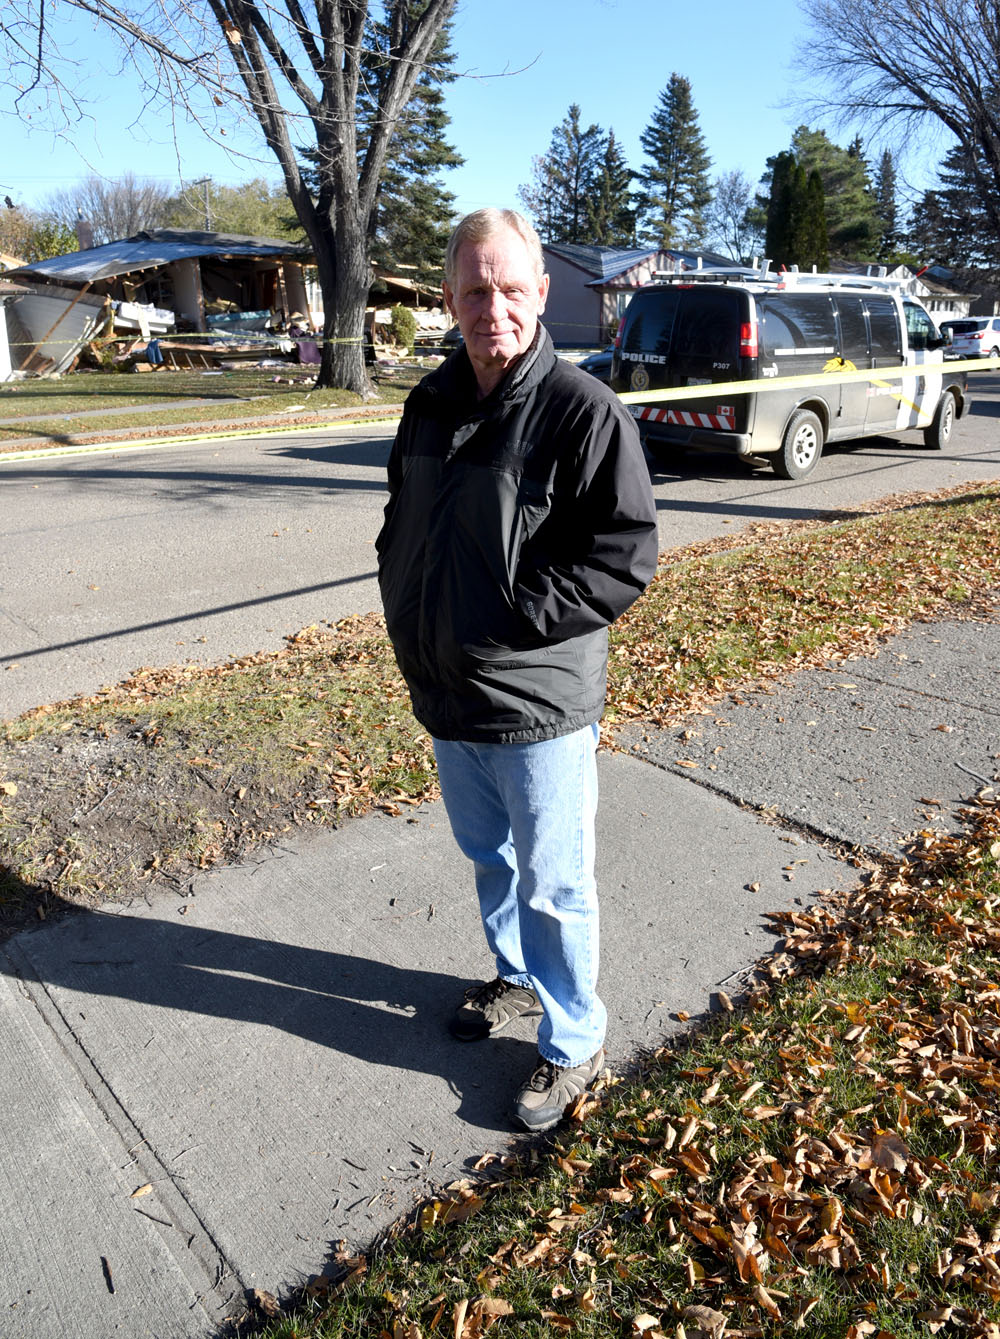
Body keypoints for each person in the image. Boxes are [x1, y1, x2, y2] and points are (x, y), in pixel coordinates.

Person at [375, 208, 658, 1132]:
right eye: (472, 290)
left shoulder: (583, 410)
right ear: (449, 300)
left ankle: (574, 1037)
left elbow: (622, 555)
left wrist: (505, 620)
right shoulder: (430, 402)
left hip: (537, 702)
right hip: (449, 694)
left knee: (553, 879)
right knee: (488, 859)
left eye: (508, 287)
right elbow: (400, 523)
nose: (490, 306)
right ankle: (516, 974)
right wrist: (412, 614)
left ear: (540, 292)